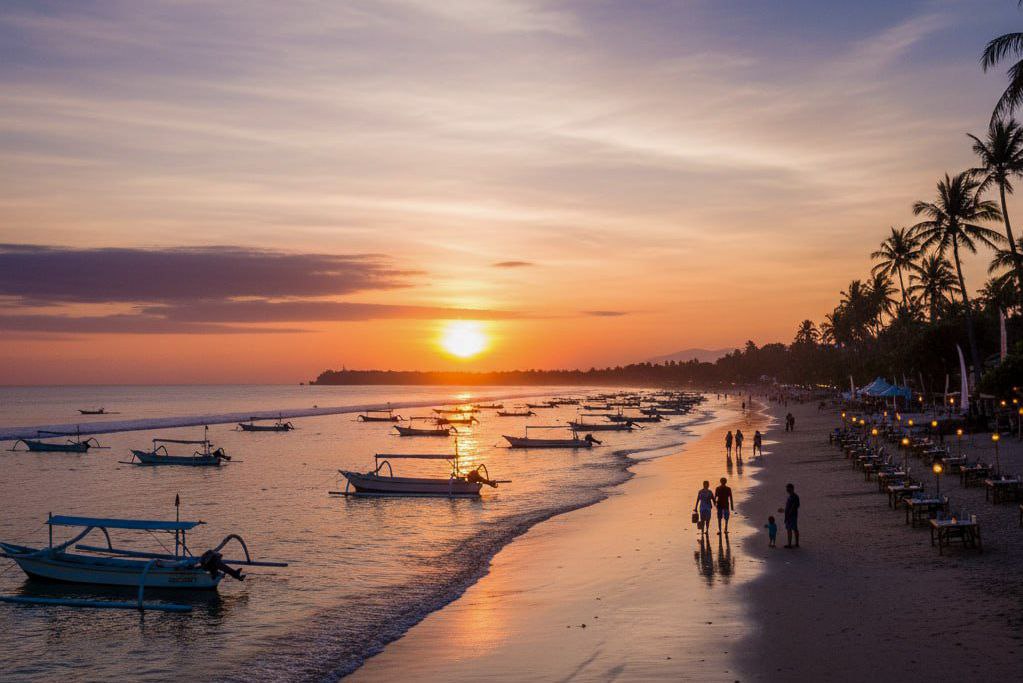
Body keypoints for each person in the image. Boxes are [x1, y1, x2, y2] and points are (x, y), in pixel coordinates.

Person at [778, 483, 800, 548]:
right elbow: (789, 507)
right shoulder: (790, 496)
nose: (787, 490)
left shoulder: (795, 496)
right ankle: (794, 543)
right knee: (792, 529)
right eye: (787, 488)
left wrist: (789, 513)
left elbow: (795, 506)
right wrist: (784, 511)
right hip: (789, 515)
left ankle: (791, 544)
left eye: (788, 488)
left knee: (791, 529)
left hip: (792, 516)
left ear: (792, 489)